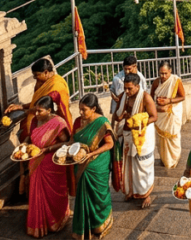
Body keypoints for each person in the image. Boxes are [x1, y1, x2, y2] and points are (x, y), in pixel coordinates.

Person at [25, 96, 71, 237]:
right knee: (36, 193)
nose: (37, 114)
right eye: (36, 111)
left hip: (52, 164)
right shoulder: (35, 120)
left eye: (40, 111)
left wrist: (47, 150)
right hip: (35, 162)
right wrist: (25, 145)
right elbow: (30, 136)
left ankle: (56, 220)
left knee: (53, 195)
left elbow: (66, 142)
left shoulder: (58, 123)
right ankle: (39, 223)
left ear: (50, 110)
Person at [71, 94, 115, 240]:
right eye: (80, 109)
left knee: (96, 192)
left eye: (84, 110)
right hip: (82, 158)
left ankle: (101, 222)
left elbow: (110, 144)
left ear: (94, 108)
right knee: (83, 189)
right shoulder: (79, 121)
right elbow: (72, 140)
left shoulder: (102, 122)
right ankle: (85, 226)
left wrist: (91, 155)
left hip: (98, 160)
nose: (81, 113)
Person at [114, 73, 158, 209]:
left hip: (143, 135)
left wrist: (140, 122)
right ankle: (131, 191)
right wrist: (121, 115)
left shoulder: (146, 97)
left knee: (143, 165)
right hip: (128, 134)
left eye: (130, 89)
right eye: (125, 88)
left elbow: (154, 117)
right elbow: (116, 116)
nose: (127, 91)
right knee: (129, 163)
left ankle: (146, 193)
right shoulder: (123, 97)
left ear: (137, 86)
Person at [5, 58, 73, 141]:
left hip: (52, 119)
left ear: (46, 72)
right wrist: (21, 106)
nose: (34, 77)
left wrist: (25, 110)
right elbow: (38, 102)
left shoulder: (55, 87)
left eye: (36, 75)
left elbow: (41, 107)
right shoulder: (45, 81)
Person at [152, 61, 186, 169]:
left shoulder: (176, 81)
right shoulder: (156, 82)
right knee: (161, 139)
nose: (163, 76)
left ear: (170, 71)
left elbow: (182, 96)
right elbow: (151, 98)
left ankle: (173, 160)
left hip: (172, 113)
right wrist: (158, 104)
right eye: (161, 73)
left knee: (173, 137)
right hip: (161, 115)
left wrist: (169, 101)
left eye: (166, 73)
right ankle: (165, 160)